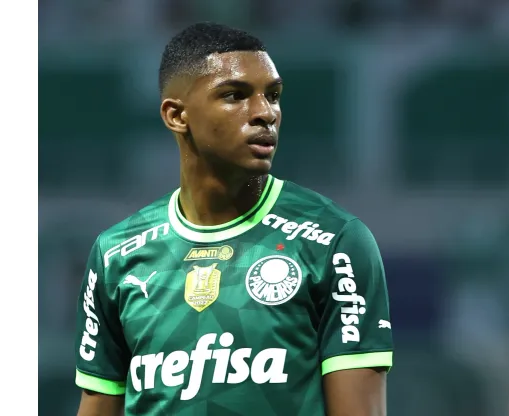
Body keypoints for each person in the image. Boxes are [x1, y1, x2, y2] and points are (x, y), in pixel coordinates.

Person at [74, 22, 394, 416]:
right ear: (177, 116)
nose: (265, 113)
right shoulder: (115, 254)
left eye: (273, 96)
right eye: (234, 95)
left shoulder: (334, 241)